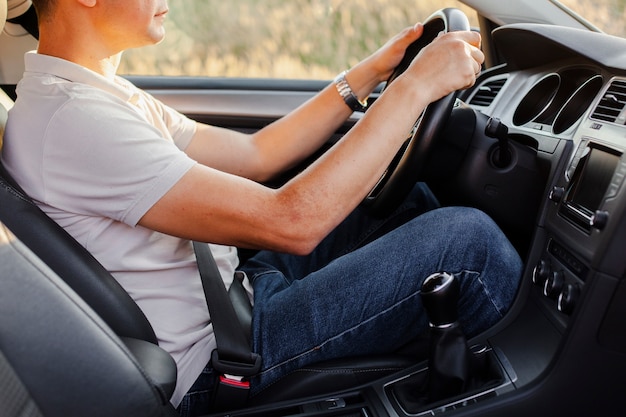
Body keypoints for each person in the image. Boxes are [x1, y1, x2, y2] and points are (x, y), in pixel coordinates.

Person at [2, 0, 522, 415]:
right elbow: (292, 222)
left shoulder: (97, 95)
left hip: (234, 298)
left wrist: (370, 73)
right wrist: (413, 87)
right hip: (218, 361)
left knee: (405, 203)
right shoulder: (74, 121)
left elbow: (256, 156)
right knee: (469, 246)